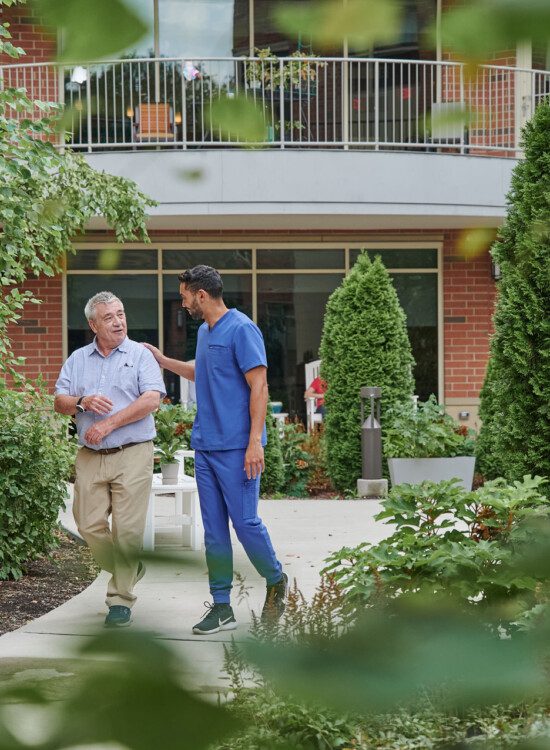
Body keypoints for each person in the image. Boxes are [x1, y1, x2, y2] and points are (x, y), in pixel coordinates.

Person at [144, 265, 288, 635]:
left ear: (201, 295)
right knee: (213, 532)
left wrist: (255, 442)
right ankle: (221, 606)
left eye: (185, 296)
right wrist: (164, 362)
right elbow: (201, 373)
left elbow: (259, 386)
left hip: (239, 447)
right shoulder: (206, 333)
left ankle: (275, 579)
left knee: (245, 523)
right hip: (206, 446)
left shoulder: (242, 329)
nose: (183, 302)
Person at [54, 292, 166, 628]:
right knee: (87, 524)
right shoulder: (78, 359)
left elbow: (151, 400)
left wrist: (109, 423)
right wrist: (83, 402)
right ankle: (127, 568)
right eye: (109, 317)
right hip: (90, 454)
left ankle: (120, 600)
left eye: (121, 313)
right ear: (93, 324)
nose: (118, 321)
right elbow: (60, 401)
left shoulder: (140, 355)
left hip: (133, 452)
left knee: (127, 530)